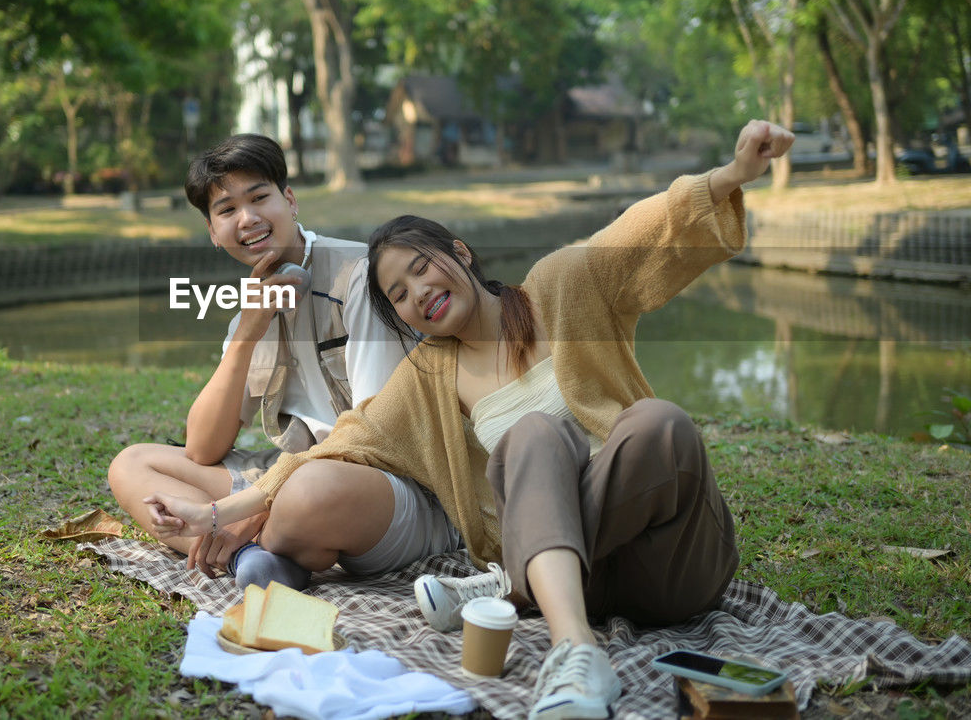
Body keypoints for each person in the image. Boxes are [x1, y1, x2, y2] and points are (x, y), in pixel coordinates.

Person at [145, 121, 794, 719]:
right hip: (576, 582)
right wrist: (225, 511)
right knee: (533, 437)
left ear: (458, 251)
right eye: (398, 294)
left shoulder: (562, 288)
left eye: (421, 267)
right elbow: (343, 442)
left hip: (676, 565)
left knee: (659, 423)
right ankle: (576, 658)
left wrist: (731, 175)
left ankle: (504, 587)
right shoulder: (428, 375)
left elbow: (644, 231)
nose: (417, 292)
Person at [108, 133, 462, 591]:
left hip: (398, 490)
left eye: (259, 198)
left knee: (310, 490)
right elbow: (202, 449)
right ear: (214, 233)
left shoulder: (361, 276)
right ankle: (254, 557)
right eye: (227, 210)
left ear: (290, 200)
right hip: (296, 480)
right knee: (133, 464)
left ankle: (266, 537)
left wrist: (253, 505)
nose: (248, 218)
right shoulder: (250, 309)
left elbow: (378, 435)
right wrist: (248, 331)